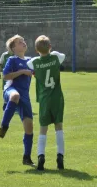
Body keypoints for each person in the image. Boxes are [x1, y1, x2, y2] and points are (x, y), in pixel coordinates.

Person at [0, 34, 35, 166]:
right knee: (14, 96)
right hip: (11, 90)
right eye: (19, 42)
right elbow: (5, 76)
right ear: (13, 48)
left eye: (24, 40)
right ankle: (3, 127)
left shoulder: (31, 61)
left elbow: (38, 72)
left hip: (25, 96)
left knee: (29, 128)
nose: (23, 43)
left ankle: (27, 158)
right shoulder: (12, 59)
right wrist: (22, 71)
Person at [27, 35, 66, 171]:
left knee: (43, 129)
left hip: (44, 99)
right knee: (58, 126)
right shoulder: (56, 57)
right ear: (50, 47)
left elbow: (29, 64)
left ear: (37, 50)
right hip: (57, 98)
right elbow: (62, 55)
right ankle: (60, 156)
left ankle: (40, 157)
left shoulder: (34, 62)